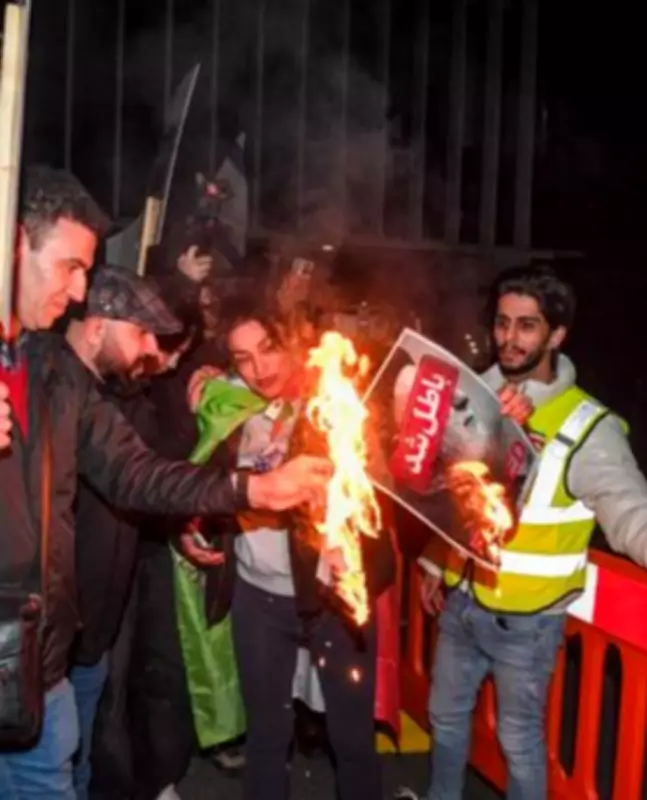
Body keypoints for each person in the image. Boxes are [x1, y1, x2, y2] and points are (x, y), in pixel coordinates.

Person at [0, 164, 332, 799]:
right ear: (17, 245)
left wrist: (250, 492)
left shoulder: (54, 370)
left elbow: (134, 473)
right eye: (70, 266)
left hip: (40, 663)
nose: (78, 292)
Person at [396, 264, 647, 800]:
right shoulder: (472, 397)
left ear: (557, 334)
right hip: (465, 601)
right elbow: (459, 497)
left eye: (526, 325)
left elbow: (634, 515)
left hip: (528, 624)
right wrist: (435, 560)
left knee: (520, 743)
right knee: (445, 718)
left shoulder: (588, 426)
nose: (508, 338)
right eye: (501, 323)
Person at [183, 296, 395, 800]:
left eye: (268, 349)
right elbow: (200, 476)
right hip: (258, 597)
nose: (259, 369)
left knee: (351, 738)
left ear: (293, 342)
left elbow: (382, 487)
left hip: (333, 598)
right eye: (243, 357)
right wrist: (194, 523)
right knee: (266, 738)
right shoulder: (228, 405)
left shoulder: (336, 397)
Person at [63, 263, 194, 800]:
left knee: (80, 755)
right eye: (139, 333)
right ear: (98, 325)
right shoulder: (53, 391)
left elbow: (149, 479)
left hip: (96, 623)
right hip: (49, 633)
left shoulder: (115, 394)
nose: (149, 350)